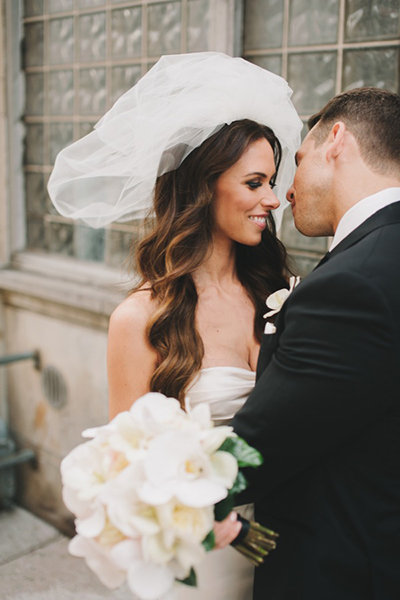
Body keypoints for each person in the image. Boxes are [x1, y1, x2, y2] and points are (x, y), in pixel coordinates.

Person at [48, 52, 302, 599]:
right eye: (255, 182)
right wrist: (192, 523)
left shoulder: (280, 291)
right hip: (205, 563)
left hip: (292, 545)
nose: (273, 199)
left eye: (273, 182)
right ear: (203, 187)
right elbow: (125, 470)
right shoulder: (140, 319)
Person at [225, 87, 400, 599]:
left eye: (295, 163)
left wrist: (137, 488)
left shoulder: (357, 283)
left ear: (336, 141)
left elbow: (258, 451)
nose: (286, 194)